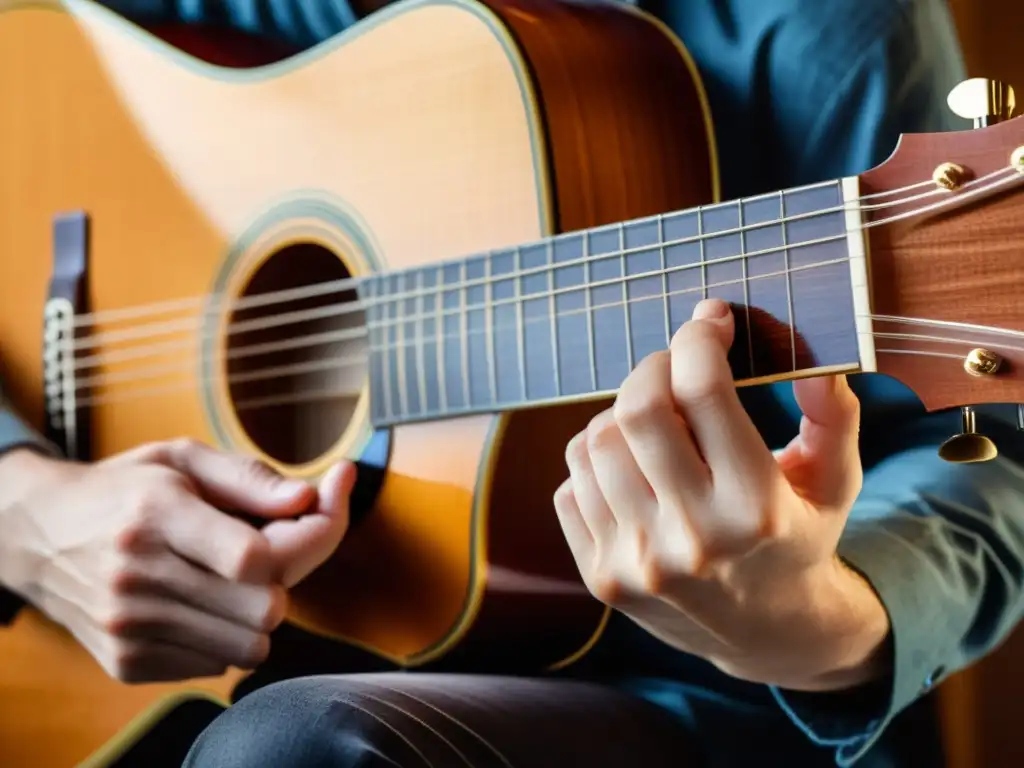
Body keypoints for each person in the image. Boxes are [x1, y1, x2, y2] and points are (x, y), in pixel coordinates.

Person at [1, 0, 1020, 766]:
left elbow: (987, 457)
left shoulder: (817, 23)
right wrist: (27, 506)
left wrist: (816, 617)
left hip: (672, 690)